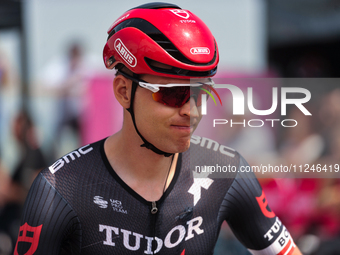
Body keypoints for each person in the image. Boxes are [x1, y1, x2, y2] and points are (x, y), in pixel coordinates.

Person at [14, 3, 302, 254]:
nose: (191, 110)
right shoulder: (58, 188)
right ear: (124, 91)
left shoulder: (227, 172)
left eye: (200, 93)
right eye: (173, 94)